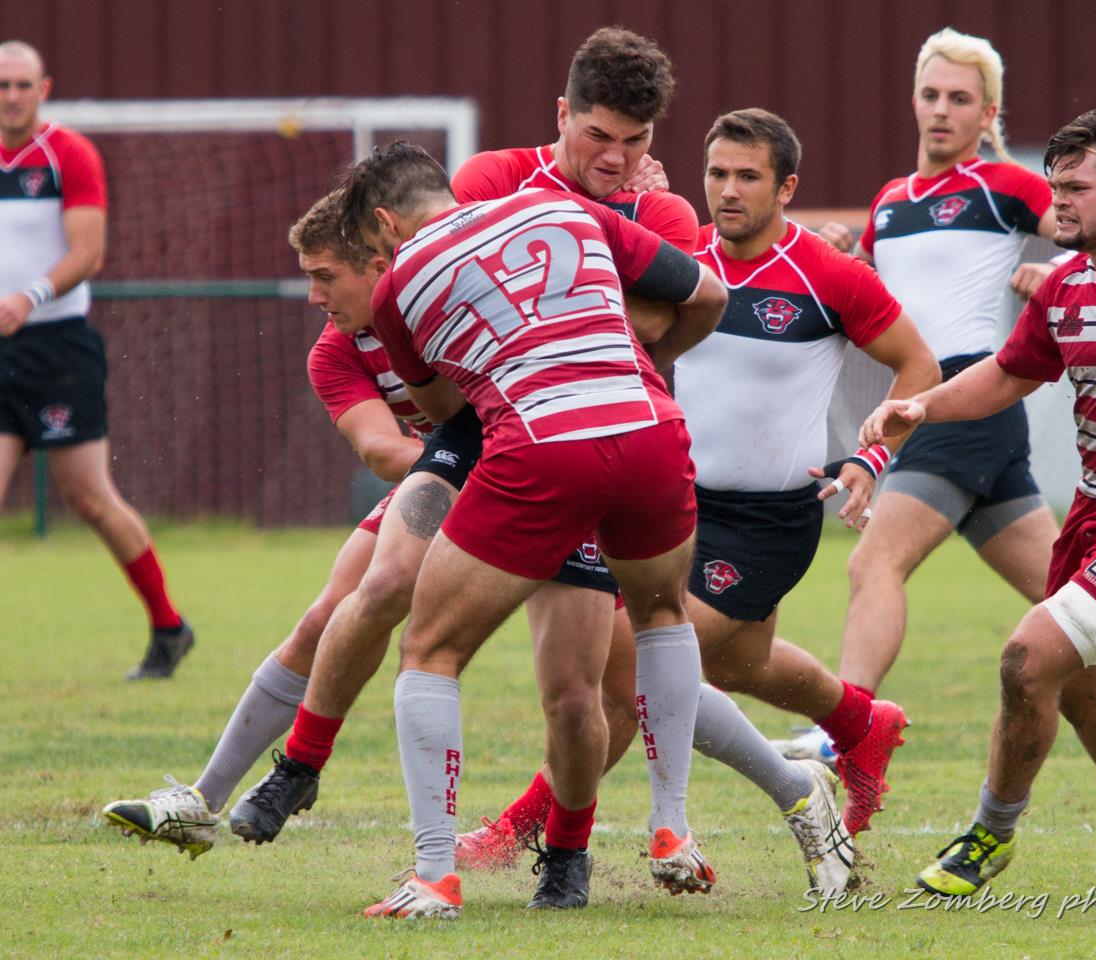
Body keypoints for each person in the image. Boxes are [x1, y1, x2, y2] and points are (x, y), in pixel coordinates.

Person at [469, 109, 939, 868]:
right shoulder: (680, 260)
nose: (728, 190)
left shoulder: (828, 274)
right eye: (716, 173)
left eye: (748, 176)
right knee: (739, 665)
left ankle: (527, 825)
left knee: (628, 665)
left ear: (787, 187)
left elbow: (921, 370)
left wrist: (871, 460)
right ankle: (861, 724)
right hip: (678, 502)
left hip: (768, 523)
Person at [341, 140, 728, 920]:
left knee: (430, 649)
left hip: (544, 447)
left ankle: (433, 877)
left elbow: (449, 413)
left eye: (374, 247)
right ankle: (671, 828)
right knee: (661, 614)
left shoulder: (394, 291)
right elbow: (709, 296)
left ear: (386, 223)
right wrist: (638, 366)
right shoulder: (561, 205)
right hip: (652, 426)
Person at [859, 105, 1096, 896]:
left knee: (1026, 659)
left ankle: (989, 833)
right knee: (1084, 688)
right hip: (1095, 519)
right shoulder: (1066, 288)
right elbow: (1010, 374)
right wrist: (922, 407)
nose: (1060, 205)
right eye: (1055, 188)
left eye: (1077, 189)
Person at [100, 190, 445, 855]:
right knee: (328, 616)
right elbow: (379, 449)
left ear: (377, 264)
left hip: (545, 472)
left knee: (616, 668)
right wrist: (459, 465)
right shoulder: (334, 352)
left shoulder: (442, 302)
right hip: (450, 477)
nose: (313, 295)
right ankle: (204, 801)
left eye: (324, 275)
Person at [779, 27, 1063, 764]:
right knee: (1075, 598)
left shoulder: (1007, 186)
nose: (942, 109)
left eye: (960, 98)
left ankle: (847, 730)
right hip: (940, 406)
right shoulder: (891, 200)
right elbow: (879, 303)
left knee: (873, 563)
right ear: (914, 101)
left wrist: (1056, 274)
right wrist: (844, 254)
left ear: (988, 112)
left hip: (964, 396)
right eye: (932, 94)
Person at [0, 40, 192, 678]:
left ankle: (169, 625)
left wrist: (29, 297)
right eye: (2, 85)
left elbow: (88, 252)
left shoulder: (68, 155)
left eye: (22, 85)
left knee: (89, 498)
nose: (11, 96)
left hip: (58, 347)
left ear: (43, 89)